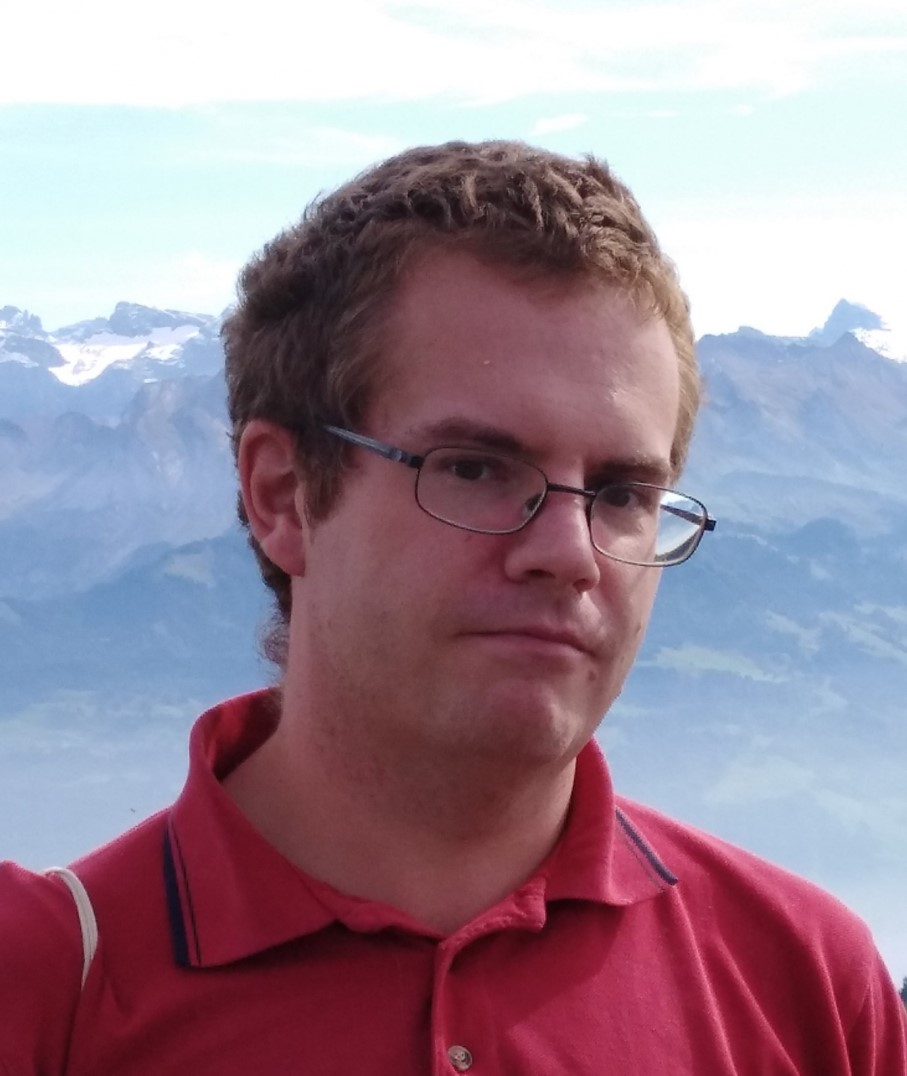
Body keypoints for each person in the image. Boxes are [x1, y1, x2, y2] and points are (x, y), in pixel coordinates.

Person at [1, 140, 905, 1074]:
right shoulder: (44, 991)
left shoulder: (805, 987)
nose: (569, 553)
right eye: (474, 469)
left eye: (621, 493)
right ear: (283, 497)